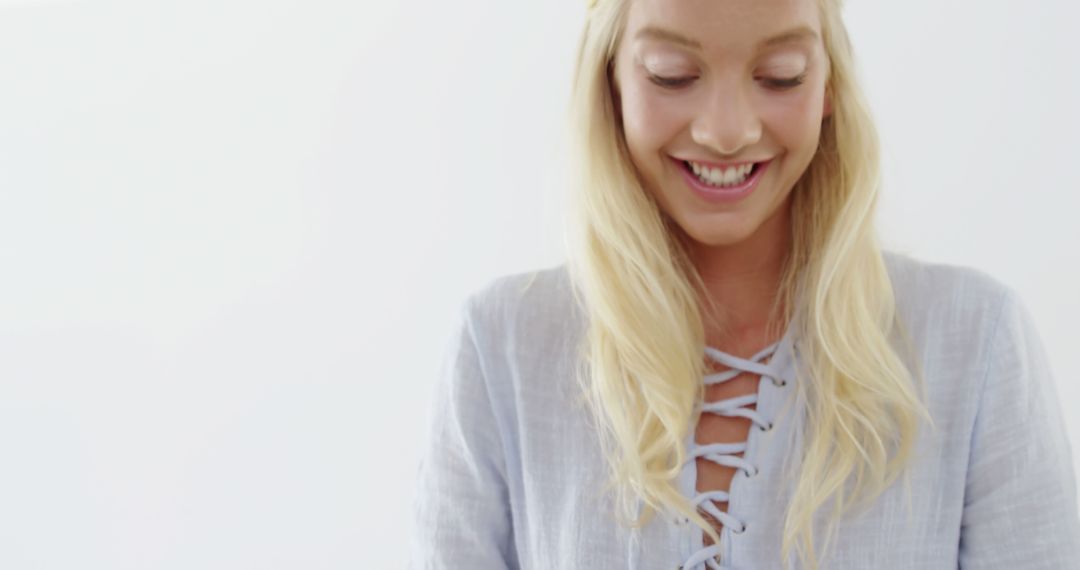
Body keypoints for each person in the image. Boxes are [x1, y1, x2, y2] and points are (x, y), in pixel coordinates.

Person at [409, 0, 1080, 568]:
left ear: (829, 86)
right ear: (610, 79)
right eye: (672, 76)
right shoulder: (501, 349)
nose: (726, 131)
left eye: (779, 76)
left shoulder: (975, 342)